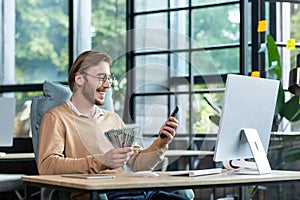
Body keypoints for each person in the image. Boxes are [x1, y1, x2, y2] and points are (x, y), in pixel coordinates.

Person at [38, 50, 189, 200]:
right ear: (79, 79)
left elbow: (137, 164)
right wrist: (101, 161)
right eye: (101, 78)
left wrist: (161, 143)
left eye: (109, 78)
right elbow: (47, 166)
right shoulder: (56, 118)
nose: (107, 85)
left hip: (136, 190)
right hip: (103, 195)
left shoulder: (112, 119)